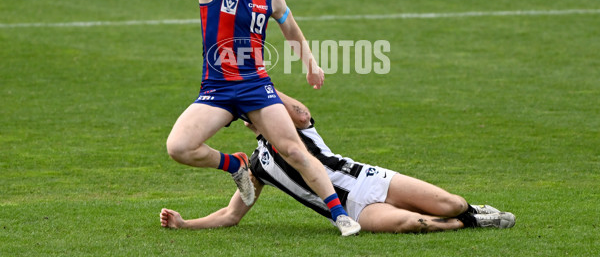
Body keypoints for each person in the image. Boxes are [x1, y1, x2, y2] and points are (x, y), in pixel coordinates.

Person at [165, 0, 361, 236]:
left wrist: (311, 64)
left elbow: (292, 31)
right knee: (178, 147)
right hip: (218, 88)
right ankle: (236, 165)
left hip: (257, 86)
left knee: (294, 150)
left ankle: (340, 216)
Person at [161, 91, 516, 233]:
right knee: (412, 224)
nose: (255, 118)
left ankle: (469, 210)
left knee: (451, 202)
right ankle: (469, 224)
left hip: (373, 179)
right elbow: (230, 215)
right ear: (248, 125)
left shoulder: (298, 130)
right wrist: (185, 223)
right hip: (355, 209)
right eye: (248, 116)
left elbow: (300, 110)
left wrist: (259, 85)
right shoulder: (258, 167)